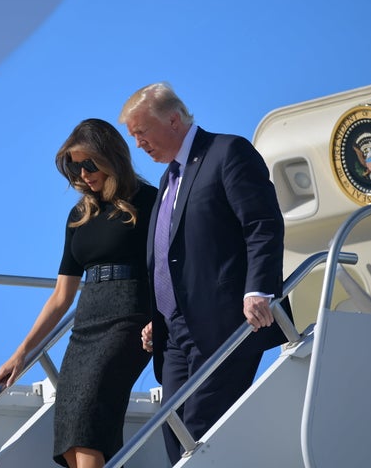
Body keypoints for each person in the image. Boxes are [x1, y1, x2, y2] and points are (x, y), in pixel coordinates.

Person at [118, 82, 290, 464]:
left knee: (200, 430)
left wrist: (258, 289)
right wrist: (157, 314)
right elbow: (175, 255)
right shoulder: (168, 180)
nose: (139, 144)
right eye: (133, 136)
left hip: (225, 322)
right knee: (174, 431)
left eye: (142, 132)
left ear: (173, 120)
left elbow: (262, 224)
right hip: (175, 335)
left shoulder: (227, 152)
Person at [0, 118, 158, 468]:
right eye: (74, 166)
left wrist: (160, 319)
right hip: (86, 325)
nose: (82, 174)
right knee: (71, 438)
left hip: (129, 317)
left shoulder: (149, 201)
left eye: (89, 163)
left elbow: (168, 270)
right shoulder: (78, 216)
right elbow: (60, 297)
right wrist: (22, 353)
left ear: (111, 157)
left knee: (86, 427)